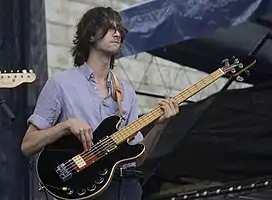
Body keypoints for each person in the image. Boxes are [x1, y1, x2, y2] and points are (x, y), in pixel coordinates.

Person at [21, 6, 179, 200]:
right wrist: (65, 126)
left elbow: (137, 159)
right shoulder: (60, 83)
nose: (117, 33)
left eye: (119, 29)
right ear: (90, 35)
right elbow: (28, 145)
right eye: (109, 27)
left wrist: (159, 126)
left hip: (127, 188)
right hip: (85, 188)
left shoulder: (126, 93)